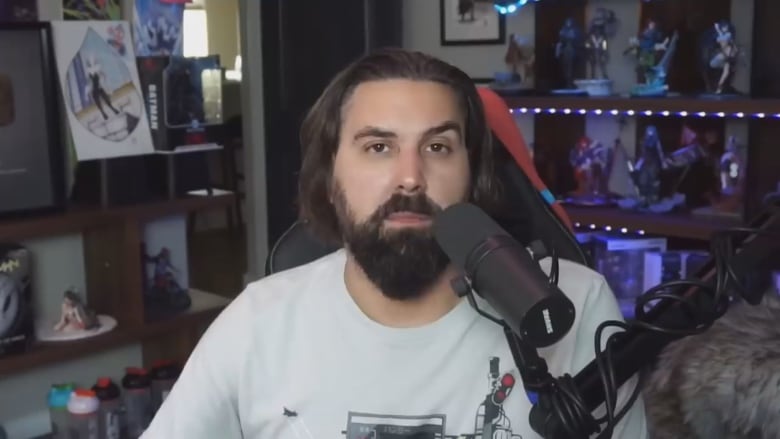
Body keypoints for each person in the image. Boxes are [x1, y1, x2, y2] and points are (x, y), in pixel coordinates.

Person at [141, 48, 647, 438]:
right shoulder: (259, 325)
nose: (410, 177)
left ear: (474, 179)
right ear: (329, 178)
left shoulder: (577, 307)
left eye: (437, 147)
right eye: (378, 147)